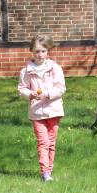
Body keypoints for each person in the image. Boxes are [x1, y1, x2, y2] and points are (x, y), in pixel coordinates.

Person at [17, 35, 66, 182]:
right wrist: (29, 94)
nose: (40, 54)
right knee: (43, 142)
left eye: (43, 51)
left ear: (48, 51)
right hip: (37, 112)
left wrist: (47, 94)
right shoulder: (26, 71)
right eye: (37, 51)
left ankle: (49, 171)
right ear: (32, 51)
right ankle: (44, 172)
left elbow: (61, 88)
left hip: (54, 110)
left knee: (51, 143)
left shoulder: (55, 68)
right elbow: (21, 89)